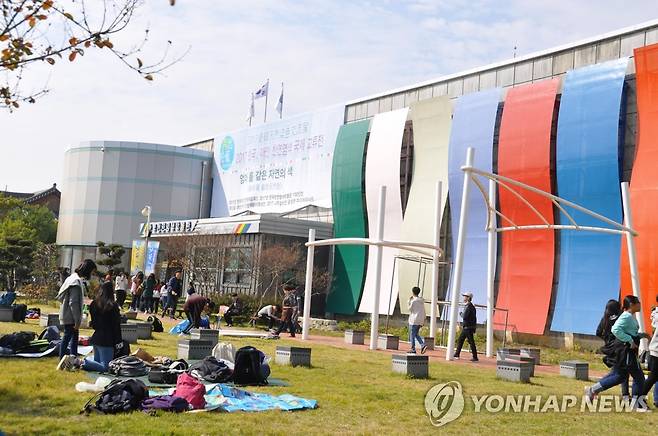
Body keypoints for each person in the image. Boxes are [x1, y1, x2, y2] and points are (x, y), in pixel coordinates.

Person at [585, 295, 650, 408]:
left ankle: (593, 389)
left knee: (619, 376)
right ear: (632, 305)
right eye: (638, 302)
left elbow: (630, 332)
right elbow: (615, 329)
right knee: (638, 377)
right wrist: (629, 340)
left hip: (624, 350)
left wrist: (642, 336)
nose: (640, 304)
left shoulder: (628, 316)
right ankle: (636, 404)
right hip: (625, 351)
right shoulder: (626, 316)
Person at [57, 281, 123, 372]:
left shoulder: (94, 304)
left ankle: (78, 362)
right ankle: (78, 361)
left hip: (96, 338)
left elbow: (94, 324)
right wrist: (119, 341)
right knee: (106, 367)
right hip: (107, 340)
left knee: (97, 363)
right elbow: (116, 325)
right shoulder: (113, 306)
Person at [56, 259, 96, 369]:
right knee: (68, 338)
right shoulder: (76, 282)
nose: (91, 275)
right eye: (92, 272)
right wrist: (77, 321)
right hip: (70, 316)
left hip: (68, 314)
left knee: (73, 339)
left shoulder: (72, 278)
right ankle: (62, 361)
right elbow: (73, 302)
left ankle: (73, 361)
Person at [596, 299, 629, 398]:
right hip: (619, 347)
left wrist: (607, 340)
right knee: (621, 373)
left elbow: (598, 332)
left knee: (616, 372)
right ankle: (625, 395)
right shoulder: (620, 317)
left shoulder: (605, 318)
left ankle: (595, 388)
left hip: (610, 348)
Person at [641, 296, 658, 407]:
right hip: (657, 350)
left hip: (655, 349)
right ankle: (639, 399)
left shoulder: (655, 313)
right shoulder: (656, 314)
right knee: (653, 377)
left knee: (654, 377)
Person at [453, 291, 478, 361]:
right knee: (461, 340)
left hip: (468, 327)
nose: (464, 298)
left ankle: (475, 357)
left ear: (468, 298)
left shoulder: (469, 306)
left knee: (470, 342)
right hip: (468, 327)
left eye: (465, 296)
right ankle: (457, 353)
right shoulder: (470, 306)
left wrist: (460, 313)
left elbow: (465, 316)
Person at [408, 286, 427, 354]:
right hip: (420, 320)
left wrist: (409, 301)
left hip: (414, 320)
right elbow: (424, 311)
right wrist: (423, 320)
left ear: (413, 292)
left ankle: (413, 348)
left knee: (412, 335)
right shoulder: (421, 301)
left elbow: (410, 309)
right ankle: (422, 345)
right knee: (415, 334)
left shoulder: (413, 301)